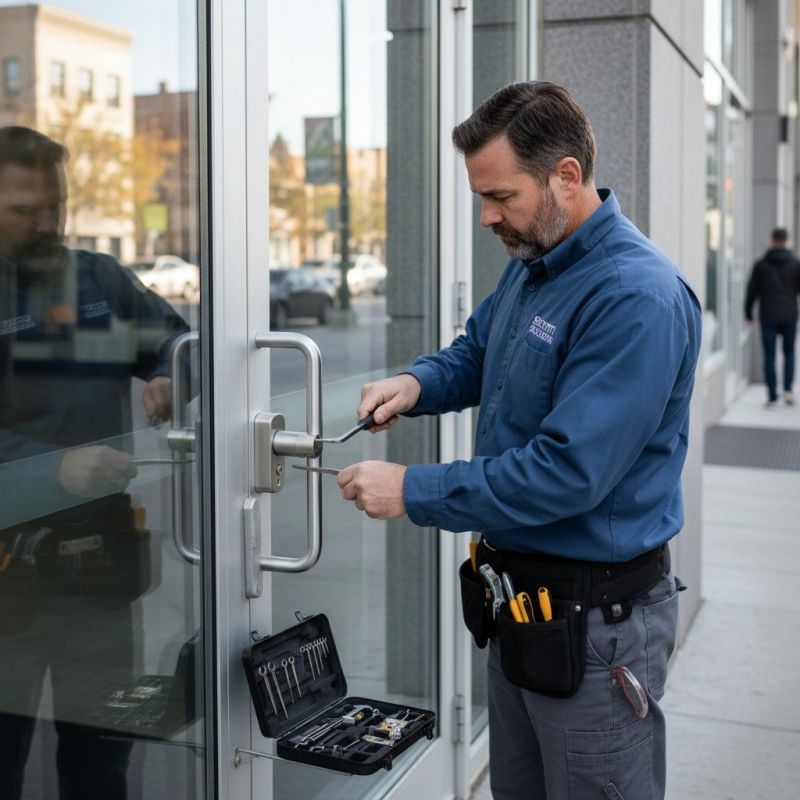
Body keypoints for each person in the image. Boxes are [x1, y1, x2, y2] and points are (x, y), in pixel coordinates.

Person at [336, 82, 702, 799]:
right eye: (482, 196)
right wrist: (415, 384)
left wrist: (414, 490)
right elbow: (478, 353)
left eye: (500, 196)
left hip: (597, 631)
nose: (486, 216)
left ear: (566, 175)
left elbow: (567, 472)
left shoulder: (635, 297)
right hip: (524, 613)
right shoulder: (536, 265)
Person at [0, 126, 189, 799]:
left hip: (101, 570)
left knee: (103, 758)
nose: (47, 221)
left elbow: (178, 340)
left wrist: (171, 373)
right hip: (9, 576)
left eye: (56, 205)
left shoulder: (98, 279)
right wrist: (54, 469)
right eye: (25, 210)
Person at [744, 227, 800, 407]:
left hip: (768, 315)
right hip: (790, 314)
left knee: (769, 356)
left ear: (772, 240)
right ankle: (788, 390)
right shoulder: (795, 263)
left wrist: (748, 312)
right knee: (789, 352)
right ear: (787, 240)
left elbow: (751, 291)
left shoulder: (761, 264)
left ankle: (772, 396)